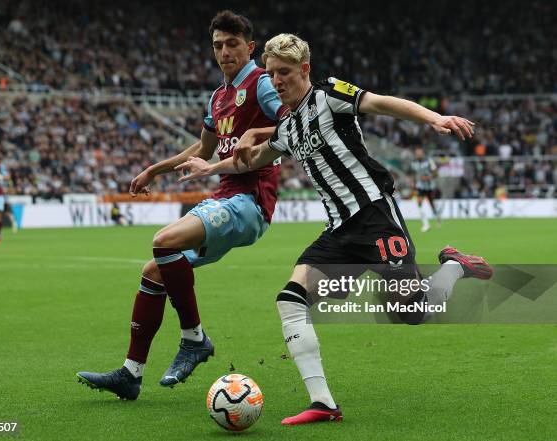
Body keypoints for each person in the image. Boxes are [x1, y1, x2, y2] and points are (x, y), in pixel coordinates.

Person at [176, 33, 492, 425]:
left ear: (305, 70)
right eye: (272, 74)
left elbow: (379, 102)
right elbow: (252, 159)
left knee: (412, 312)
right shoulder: (288, 127)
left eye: (285, 73)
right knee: (290, 299)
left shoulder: (328, 95)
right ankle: (323, 403)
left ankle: (454, 265)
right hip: (338, 231)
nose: (276, 81)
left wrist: (435, 118)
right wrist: (210, 167)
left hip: (375, 217)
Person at [76, 11, 287, 400]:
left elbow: (297, 121)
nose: (224, 52)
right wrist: (155, 169)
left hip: (250, 200)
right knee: (155, 271)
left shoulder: (260, 83)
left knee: (165, 239)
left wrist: (257, 132)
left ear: (250, 47)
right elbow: (204, 149)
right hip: (225, 198)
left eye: (232, 44)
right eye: (218, 46)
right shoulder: (219, 96)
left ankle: (194, 339)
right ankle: (131, 373)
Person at [411, 147, 441, 232]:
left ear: (422, 153)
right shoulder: (414, 163)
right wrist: (413, 182)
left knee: (432, 205)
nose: (418, 155)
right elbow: (413, 173)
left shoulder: (429, 161)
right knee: (419, 203)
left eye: (419, 153)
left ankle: (438, 217)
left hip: (430, 186)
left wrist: (428, 177)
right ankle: (426, 224)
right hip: (421, 186)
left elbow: (436, 173)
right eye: (417, 153)